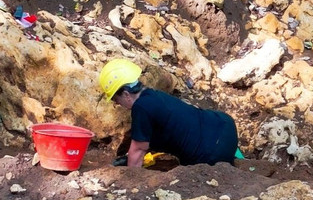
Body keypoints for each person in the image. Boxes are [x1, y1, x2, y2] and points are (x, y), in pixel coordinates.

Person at [98, 59, 240, 168]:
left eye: (116, 99)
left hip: (212, 153)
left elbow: (138, 149)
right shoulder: (153, 95)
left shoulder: (141, 108)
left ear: (126, 94)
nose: (117, 104)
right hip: (225, 125)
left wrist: (131, 180)